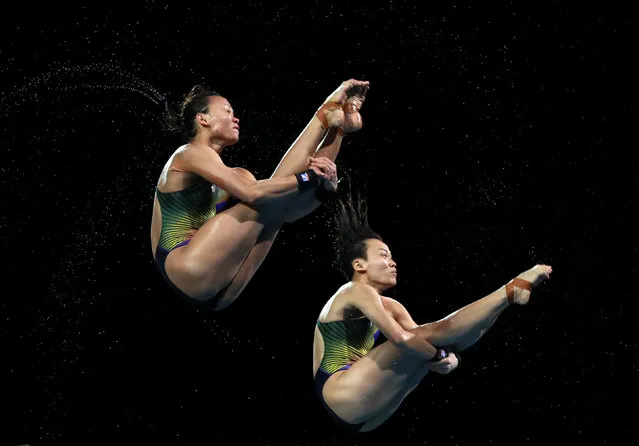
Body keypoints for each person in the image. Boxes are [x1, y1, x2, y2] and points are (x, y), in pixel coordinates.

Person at [312, 194, 553, 432]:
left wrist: (449, 358)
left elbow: (432, 339)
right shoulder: (353, 290)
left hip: (368, 412)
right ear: (359, 265)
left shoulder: (392, 307)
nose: (393, 262)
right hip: (342, 392)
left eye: (392, 256)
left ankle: (508, 298)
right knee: (426, 343)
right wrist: (439, 357)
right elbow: (402, 339)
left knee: (434, 344)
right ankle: (510, 290)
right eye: (384, 255)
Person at [150, 79, 370, 310]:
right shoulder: (188, 154)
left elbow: (290, 213)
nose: (235, 118)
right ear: (202, 119)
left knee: (275, 210)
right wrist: (309, 179)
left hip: (220, 291)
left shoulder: (238, 175)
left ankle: (337, 125)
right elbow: (253, 194)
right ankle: (324, 117)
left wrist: (324, 190)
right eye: (226, 111)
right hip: (185, 266)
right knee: (266, 201)